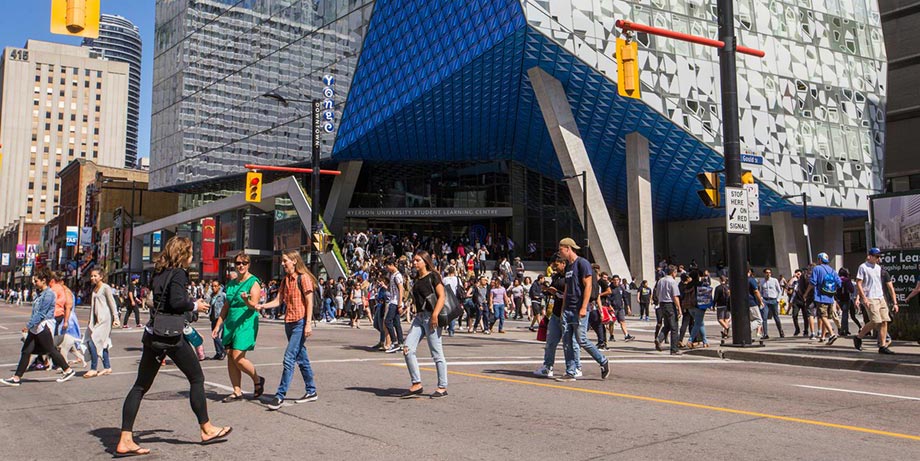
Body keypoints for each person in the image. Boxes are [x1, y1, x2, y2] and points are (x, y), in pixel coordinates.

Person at [116, 237, 231, 456]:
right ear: (182, 254)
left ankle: (125, 438)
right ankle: (206, 428)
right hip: (172, 336)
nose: (192, 257)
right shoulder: (178, 273)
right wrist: (195, 304)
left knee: (140, 386)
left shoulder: (159, 273)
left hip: (154, 333)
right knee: (196, 378)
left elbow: (160, 300)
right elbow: (177, 302)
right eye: (190, 252)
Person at [257, 250, 319, 410]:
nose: (283, 263)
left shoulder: (303, 278)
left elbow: (309, 302)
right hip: (289, 322)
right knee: (301, 357)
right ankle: (311, 391)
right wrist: (262, 305)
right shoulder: (286, 280)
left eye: (285, 261)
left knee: (289, 358)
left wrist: (308, 324)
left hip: (300, 322)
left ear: (294, 261)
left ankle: (280, 395)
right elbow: (278, 300)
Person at [1, 268, 77, 387]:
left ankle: (68, 370)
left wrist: (29, 325)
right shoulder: (40, 293)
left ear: (44, 280)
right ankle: (16, 378)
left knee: (50, 350)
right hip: (36, 327)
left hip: (43, 325)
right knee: (26, 351)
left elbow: (41, 313)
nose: (34, 283)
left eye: (36, 281)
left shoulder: (49, 294)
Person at [212, 253, 265, 402]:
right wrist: (218, 326)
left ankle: (257, 378)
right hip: (231, 323)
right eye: (238, 263)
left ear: (249, 264)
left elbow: (254, 306)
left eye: (244, 263)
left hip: (246, 322)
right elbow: (225, 307)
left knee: (238, 357)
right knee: (230, 355)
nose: (241, 265)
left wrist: (246, 300)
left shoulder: (254, 282)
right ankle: (237, 391)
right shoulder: (231, 284)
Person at [556, 238, 610, 382]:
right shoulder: (568, 266)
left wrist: (584, 307)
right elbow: (567, 289)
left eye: (561, 249)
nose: (559, 252)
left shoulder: (582, 263)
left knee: (582, 340)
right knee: (567, 342)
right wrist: (562, 309)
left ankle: (602, 360)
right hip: (568, 309)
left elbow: (588, 286)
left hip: (579, 308)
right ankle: (570, 371)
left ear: (568, 248)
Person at [401, 251, 448, 398]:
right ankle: (416, 383)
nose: (414, 263)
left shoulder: (433, 276)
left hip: (431, 317)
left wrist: (434, 315)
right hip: (419, 317)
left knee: (436, 353)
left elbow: (442, 296)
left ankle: (442, 386)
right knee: (407, 349)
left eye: (417, 260)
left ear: (425, 262)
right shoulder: (416, 279)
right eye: (413, 261)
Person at [853, 248, 896, 354]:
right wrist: (863, 298)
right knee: (876, 321)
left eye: (879, 256)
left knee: (884, 321)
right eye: (876, 256)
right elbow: (859, 283)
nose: (878, 258)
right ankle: (859, 337)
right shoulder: (863, 267)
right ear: (870, 256)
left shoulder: (878, 268)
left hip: (880, 297)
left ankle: (882, 346)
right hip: (870, 297)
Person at [83, 269, 120, 378]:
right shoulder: (94, 289)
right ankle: (107, 367)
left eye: (95, 276)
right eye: (91, 276)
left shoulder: (105, 288)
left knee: (92, 342)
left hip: (105, 320)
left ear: (101, 276)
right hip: (96, 320)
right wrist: (90, 320)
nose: (92, 278)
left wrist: (116, 318)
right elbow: (93, 307)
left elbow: (112, 303)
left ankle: (93, 368)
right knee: (102, 343)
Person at [654, 265, 682, 355]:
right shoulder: (672, 282)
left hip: (662, 303)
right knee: (674, 327)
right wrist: (679, 308)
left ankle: (659, 338)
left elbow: (657, 293)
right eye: (675, 272)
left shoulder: (660, 281)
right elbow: (675, 296)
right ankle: (674, 349)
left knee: (667, 325)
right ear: (673, 272)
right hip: (670, 304)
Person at [759, 268, 785, 339]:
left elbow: (779, 290)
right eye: (767, 272)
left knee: (776, 316)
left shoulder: (774, 280)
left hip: (773, 300)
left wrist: (778, 299)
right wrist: (761, 298)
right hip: (765, 300)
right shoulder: (762, 281)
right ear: (764, 273)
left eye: (769, 272)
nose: (768, 274)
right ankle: (765, 334)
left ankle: (781, 331)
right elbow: (760, 291)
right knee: (764, 317)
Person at [608, 275, 635, 342]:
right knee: (612, 323)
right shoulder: (610, 288)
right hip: (613, 308)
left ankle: (626, 335)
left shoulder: (621, 288)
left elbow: (625, 298)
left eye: (617, 280)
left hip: (620, 308)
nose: (616, 281)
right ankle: (611, 335)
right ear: (612, 281)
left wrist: (628, 307)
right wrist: (610, 306)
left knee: (622, 321)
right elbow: (607, 299)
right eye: (615, 280)